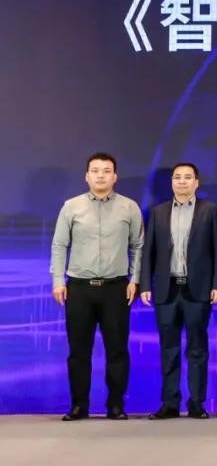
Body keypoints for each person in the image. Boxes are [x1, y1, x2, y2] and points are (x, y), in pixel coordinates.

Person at [50, 152, 143, 421]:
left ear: (115, 176)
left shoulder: (129, 207)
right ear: (86, 176)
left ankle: (116, 405)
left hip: (116, 288)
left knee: (117, 350)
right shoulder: (71, 207)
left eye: (106, 171)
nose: (100, 175)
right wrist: (58, 281)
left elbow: (138, 246)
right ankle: (79, 405)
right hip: (79, 288)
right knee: (79, 351)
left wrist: (135, 279)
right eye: (95, 170)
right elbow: (59, 245)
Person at [141, 162, 217, 420]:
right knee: (169, 348)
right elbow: (148, 251)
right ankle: (170, 403)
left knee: (197, 348)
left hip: (198, 290)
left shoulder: (210, 210)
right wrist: (146, 285)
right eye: (177, 177)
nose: (182, 181)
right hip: (166, 290)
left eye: (187, 177)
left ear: (196, 183)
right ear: (171, 182)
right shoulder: (158, 212)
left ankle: (197, 403)